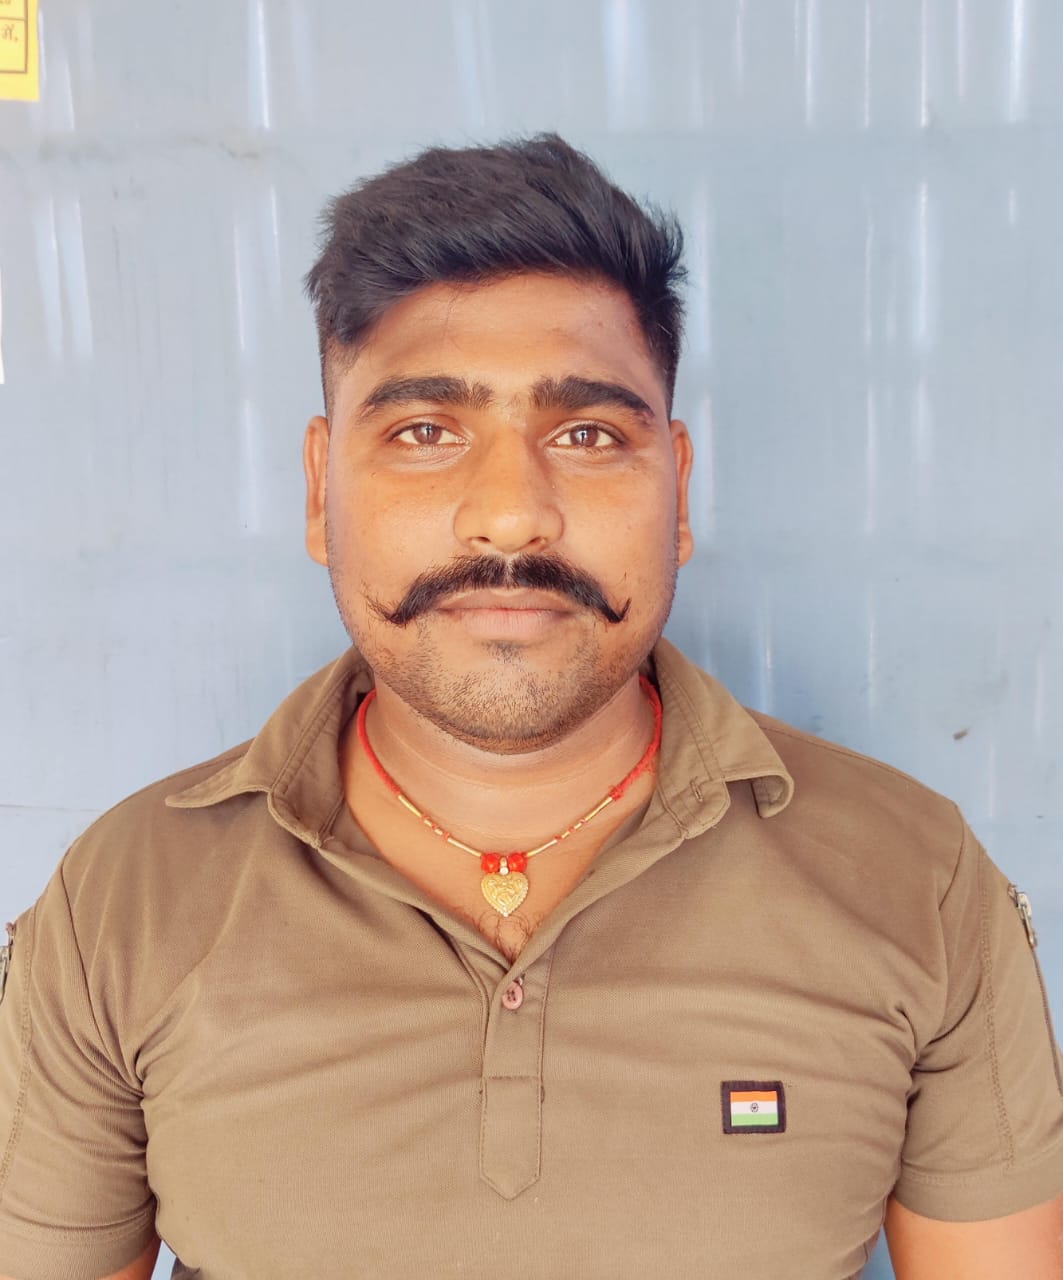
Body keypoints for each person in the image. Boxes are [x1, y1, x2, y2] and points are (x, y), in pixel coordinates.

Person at [1, 134, 1061, 1280]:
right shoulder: (124, 903)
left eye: (588, 434)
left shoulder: (913, 879)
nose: (510, 515)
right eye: (424, 432)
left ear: (678, 491)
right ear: (319, 488)